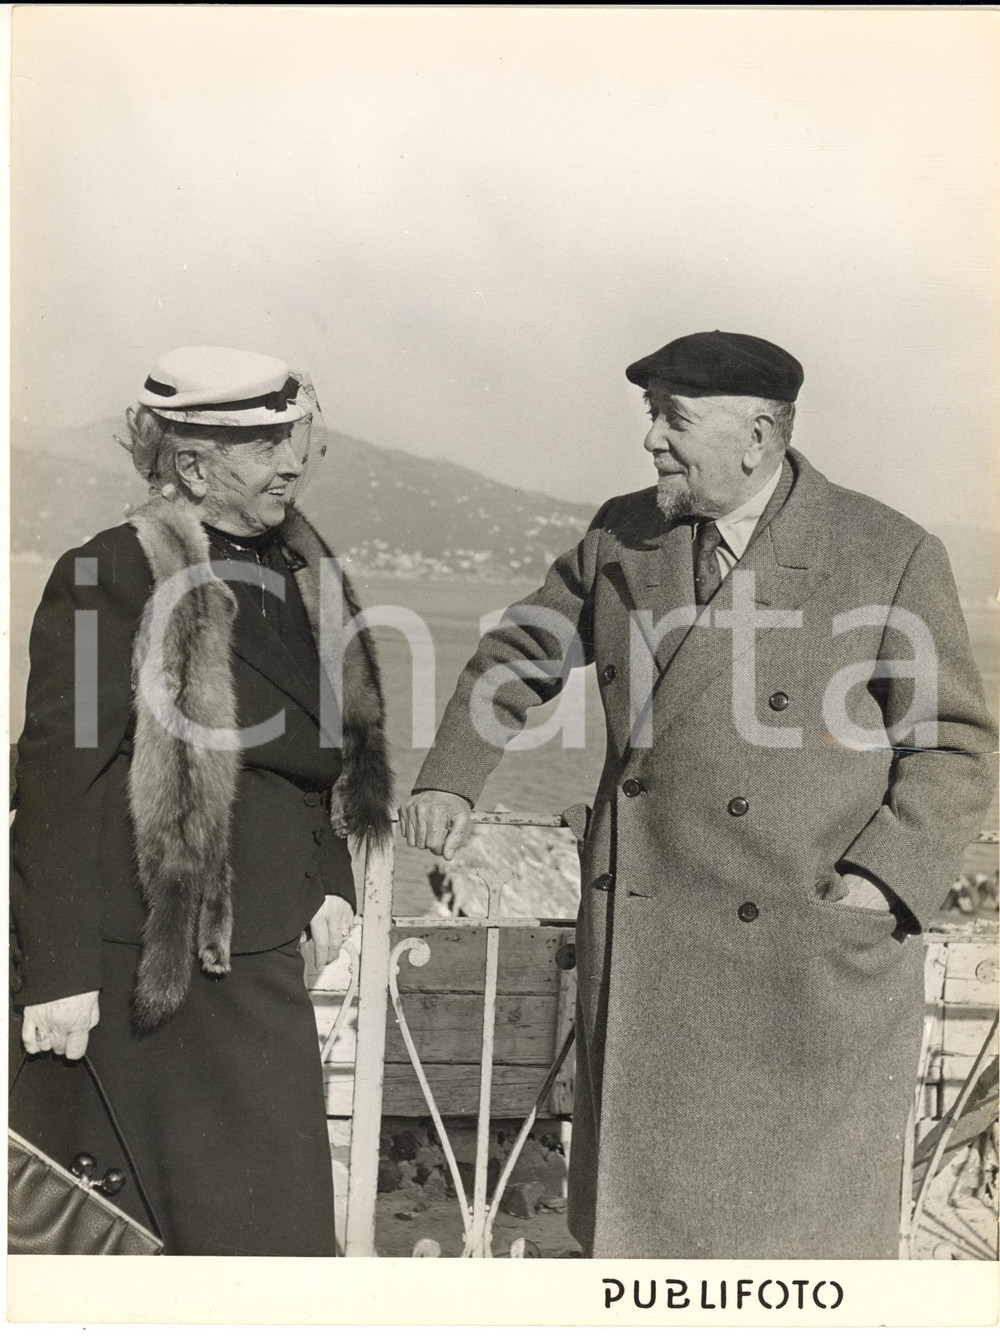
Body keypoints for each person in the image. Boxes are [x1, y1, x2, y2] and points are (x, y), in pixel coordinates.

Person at [401, 330, 997, 1259]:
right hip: (653, 954)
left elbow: (952, 747)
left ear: (758, 435)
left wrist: (881, 886)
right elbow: (521, 653)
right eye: (652, 417)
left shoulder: (886, 553)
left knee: (798, 1259)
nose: (652, 442)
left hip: (805, 960)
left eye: (674, 419)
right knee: (649, 1257)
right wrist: (452, 775)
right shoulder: (622, 534)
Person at [10, 346, 393, 1255]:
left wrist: (329, 875)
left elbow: (318, 752)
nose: (292, 462)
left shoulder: (302, 577)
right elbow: (58, 783)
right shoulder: (112, 573)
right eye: (265, 447)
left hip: (256, 954)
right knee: (144, 1247)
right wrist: (58, 977)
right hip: (142, 967)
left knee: (268, 1239)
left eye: (292, 439)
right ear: (192, 465)